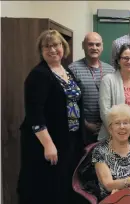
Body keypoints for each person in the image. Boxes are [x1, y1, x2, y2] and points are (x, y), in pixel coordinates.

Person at [17, 30, 85, 204]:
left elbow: (73, 102)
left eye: (56, 45)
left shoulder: (66, 71)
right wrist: (48, 145)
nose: (52, 49)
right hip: (48, 141)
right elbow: (35, 114)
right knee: (48, 188)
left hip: (68, 138)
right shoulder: (39, 75)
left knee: (65, 185)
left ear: (63, 47)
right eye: (47, 46)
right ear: (41, 50)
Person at [81, 104, 130, 201]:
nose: (122, 127)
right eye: (117, 123)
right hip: (111, 198)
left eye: (126, 123)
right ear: (110, 129)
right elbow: (108, 184)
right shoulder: (99, 151)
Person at [98, 44, 130, 141]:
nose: (129, 61)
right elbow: (105, 112)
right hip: (112, 138)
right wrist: (120, 134)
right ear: (118, 60)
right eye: (125, 58)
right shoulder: (108, 80)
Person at [69, 32, 114, 144]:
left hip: (108, 128)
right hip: (83, 129)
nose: (94, 48)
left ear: (102, 47)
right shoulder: (73, 69)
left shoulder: (110, 70)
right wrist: (87, 124)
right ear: (83, 46)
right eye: (90, 44)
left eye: (97, 45)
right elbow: (70, 103)